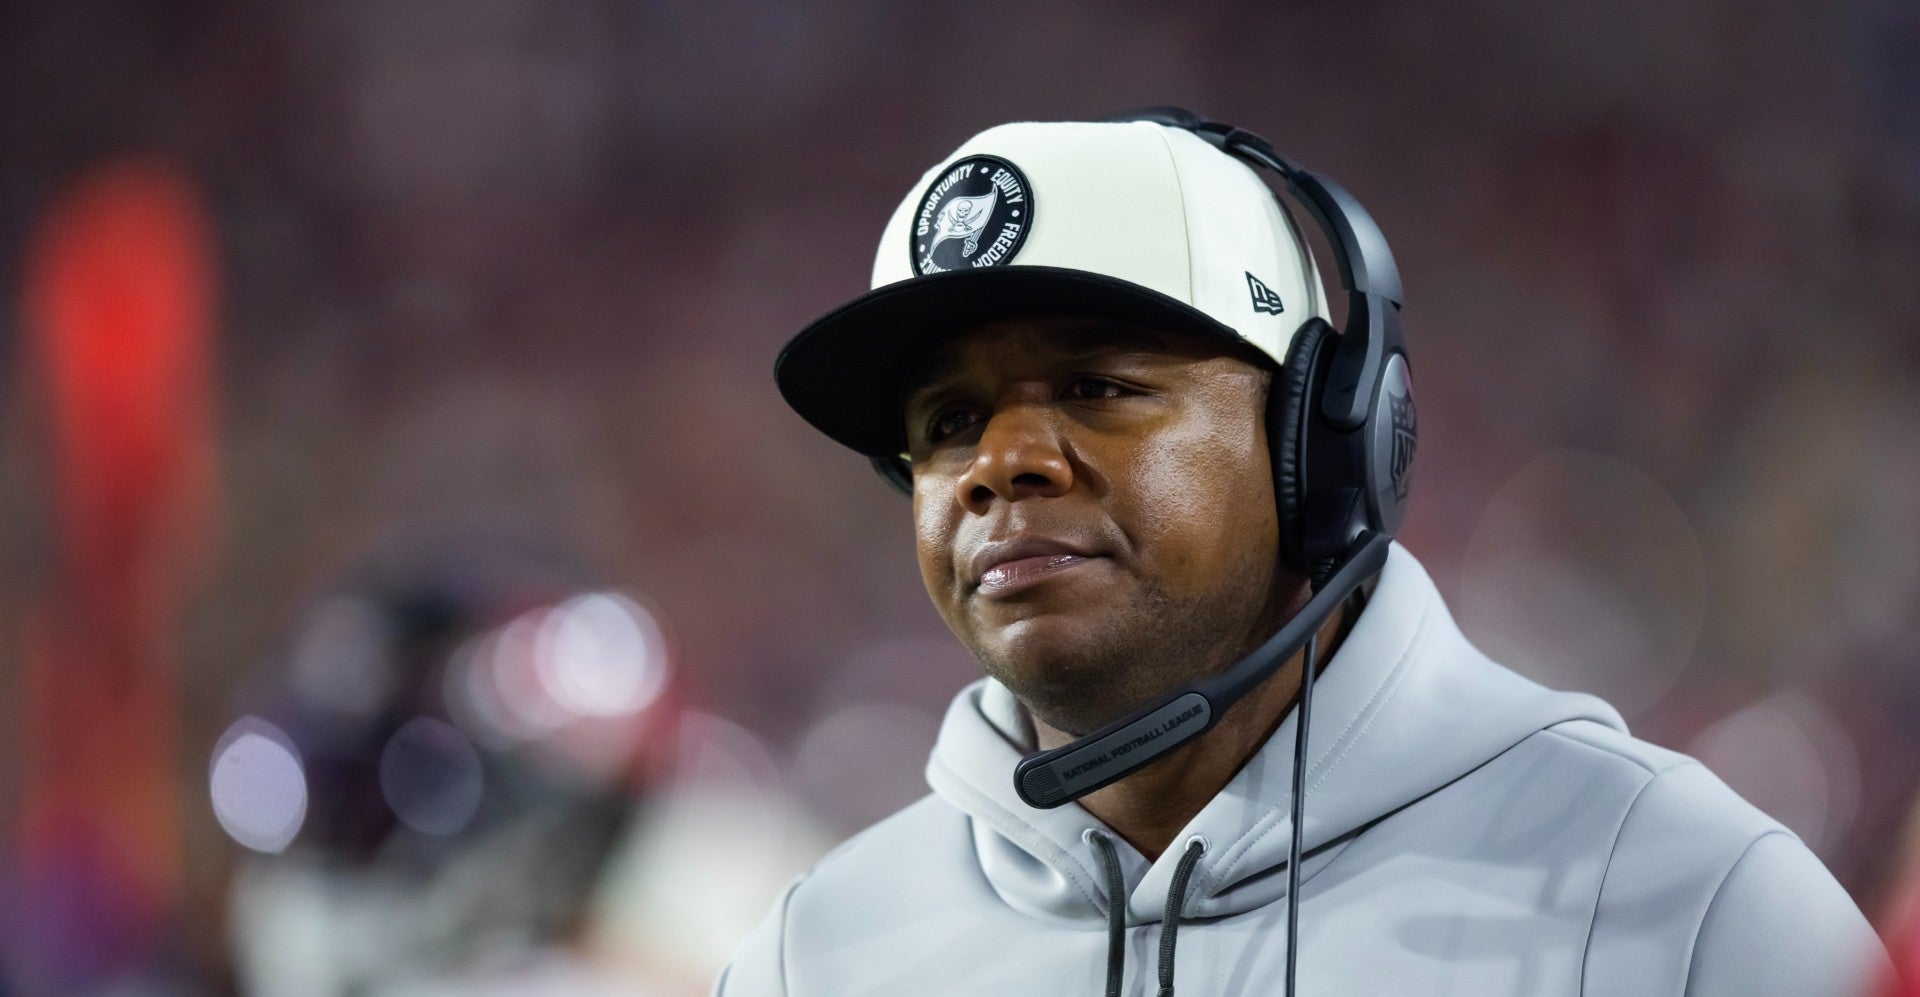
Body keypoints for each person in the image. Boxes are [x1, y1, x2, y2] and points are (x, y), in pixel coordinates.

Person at [719, 110, 1888, 996]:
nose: (998, 463)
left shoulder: (1680, 900)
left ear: (1324, 436)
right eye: (949, 421)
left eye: (1097, 386)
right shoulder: (812, 956)